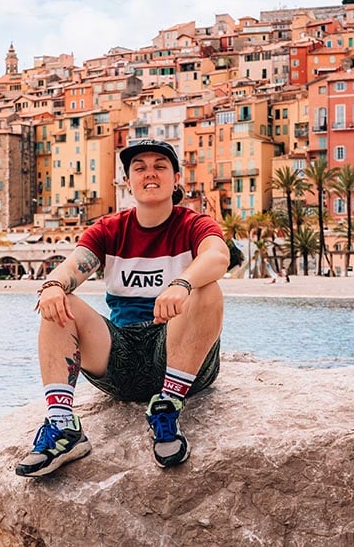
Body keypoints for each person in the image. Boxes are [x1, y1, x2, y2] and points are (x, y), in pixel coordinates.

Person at [15, 139, 229, 477]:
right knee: (59, 301)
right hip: (121, 356)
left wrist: (182, 284)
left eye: (160, 166)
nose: (150, 174)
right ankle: (63, 428)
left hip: (179, 355)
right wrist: (53, 285)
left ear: (176, 178)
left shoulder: (193, 225)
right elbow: (73, 266)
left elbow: (218, 256)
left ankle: (167, 409)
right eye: (139, 168)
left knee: (208, 290)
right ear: (128, 182)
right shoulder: (110, 229)